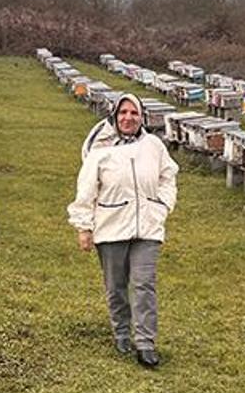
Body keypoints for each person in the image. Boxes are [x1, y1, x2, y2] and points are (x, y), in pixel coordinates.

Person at [68, 93, 179, 368]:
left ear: (141, 117)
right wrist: (84, 226)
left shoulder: (153, 146)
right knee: (116, 285)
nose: (128, 118)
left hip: (148, 228)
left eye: (134, 113)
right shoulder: (100, 150)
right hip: (111, 228)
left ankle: (145, 342)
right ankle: (121, 332)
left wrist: (163, 205)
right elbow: (85, 191)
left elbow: (168, 175)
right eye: (123, 113)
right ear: (115, 116)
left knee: (144, 284)